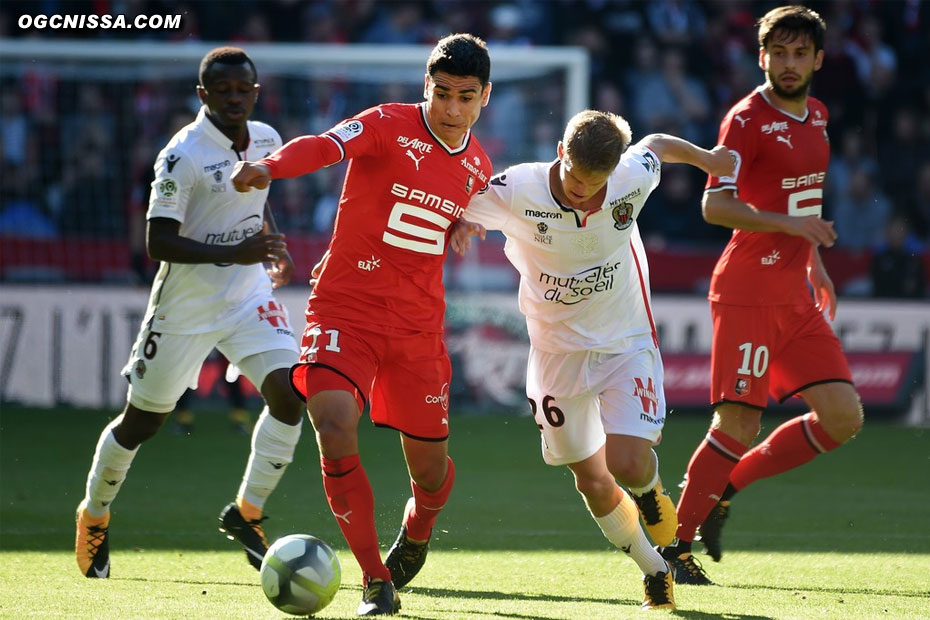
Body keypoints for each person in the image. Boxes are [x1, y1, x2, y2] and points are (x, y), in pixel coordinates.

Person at [231, 33, 492, 616]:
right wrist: (270, 167)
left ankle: (419, 527)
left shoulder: (478, 165)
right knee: (332, 422)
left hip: (418, 328)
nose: (451, 108)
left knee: (430, 473)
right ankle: (376, 582)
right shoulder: (387, 123)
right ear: (427, 85)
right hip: (345, 309)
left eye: (465, 97)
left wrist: (458, 228)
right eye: (442, 93)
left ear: (484, 99)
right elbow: (323, 146)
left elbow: (450, 210)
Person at [452, 110, 734, 611]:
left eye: (594, 183)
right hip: (556, 353)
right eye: (576, 179)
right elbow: (454, 200)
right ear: (561, 153)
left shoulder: (629, 176)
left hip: (625, 340)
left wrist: (708, 158)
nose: (583, 192)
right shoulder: (519, 189)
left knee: (624, 460)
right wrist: (461, 223)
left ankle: (649, 496)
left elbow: (659, 144)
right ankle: (654, 568)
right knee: (589, 478)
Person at [74, 47, 305, 579]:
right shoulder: (183, 155)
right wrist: (235, 252)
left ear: (255, 91)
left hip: (248, 294)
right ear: (203, 95)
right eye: (221, 90)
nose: (233, 98)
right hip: (186, 306)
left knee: (292, 394)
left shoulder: (267, 138)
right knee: (143, 422)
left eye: (242, 90)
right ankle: (95, 514)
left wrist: (270, 244)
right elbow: (158, 242)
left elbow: (257, 192)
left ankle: (247, 514)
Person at [659, 6, 864, 584]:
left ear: (819, 60)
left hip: (795, 293)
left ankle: (728, 487)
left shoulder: (818, 115)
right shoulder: (745, 120)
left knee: (844, 418)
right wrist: (791, 228)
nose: (789, 63)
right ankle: (674, 549)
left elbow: (803, 202)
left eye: (801, 53)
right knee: (735, 424)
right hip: (747, 290)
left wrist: (815, 261)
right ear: (761, 56)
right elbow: (714, 206)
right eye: (779, 52)